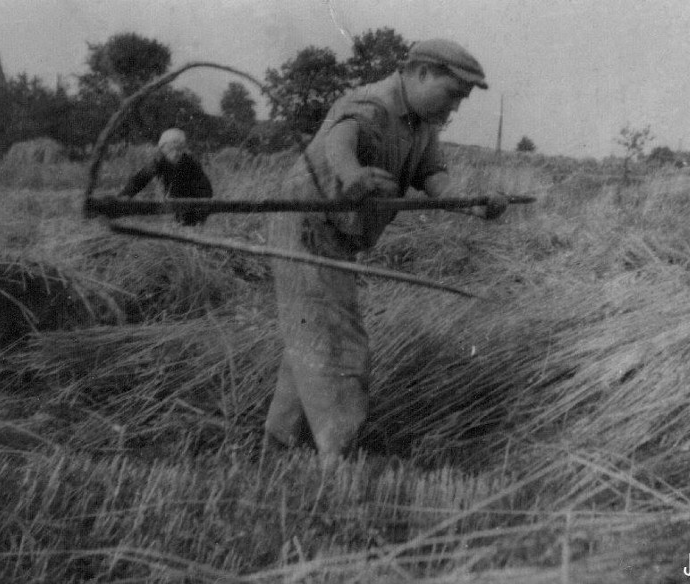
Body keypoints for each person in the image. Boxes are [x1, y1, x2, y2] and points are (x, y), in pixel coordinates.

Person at [265, 38, 508, 465]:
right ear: (422, 73)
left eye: (461, 101)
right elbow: (342, 138)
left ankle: (281, 447)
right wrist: (351, 174)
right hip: (306, 223)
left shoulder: (422, 125)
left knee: (312, 334)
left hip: (335, 235)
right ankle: (338, 457)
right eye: (451, 95)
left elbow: (433, 175)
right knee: (336, 342)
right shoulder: (374, 101)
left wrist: (468, 202)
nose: (454, 108)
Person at [118, 128, 213, 226]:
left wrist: (202, 212)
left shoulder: (191, 163)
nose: (176, 153)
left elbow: (206, 189)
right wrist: (124, 196)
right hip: (175, 198)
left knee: (188, 220)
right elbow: (140, 180)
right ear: (163, 149)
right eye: (171, 149)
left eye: (179, 149)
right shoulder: (158, 161)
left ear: (184, 149)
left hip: (192, 198)